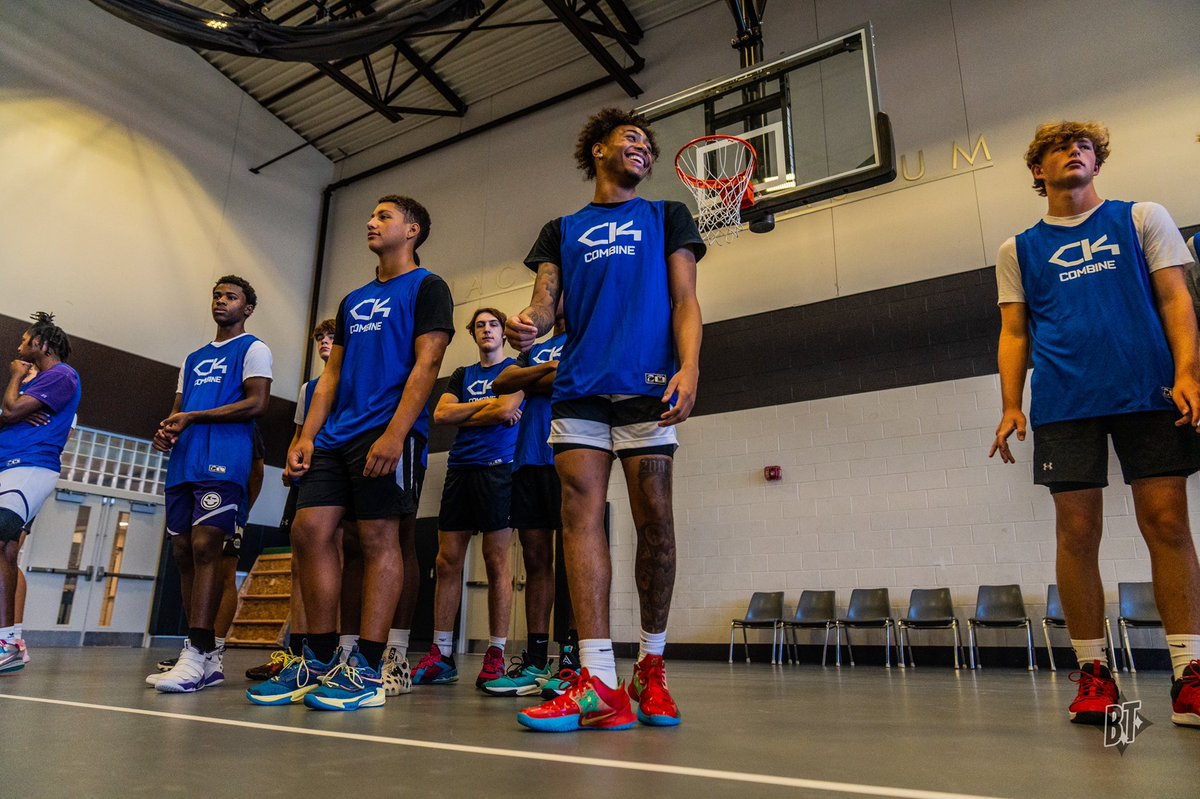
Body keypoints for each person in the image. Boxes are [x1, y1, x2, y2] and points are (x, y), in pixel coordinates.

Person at [989, 121, 1200, 728]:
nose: (1074, 153)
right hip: (1066, 401)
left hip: (1150, 392)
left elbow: (1176, 300)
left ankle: (1188, 675)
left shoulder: (1143, 218)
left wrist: (1189, 373)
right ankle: (1095, 676)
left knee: (1168, 524)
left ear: (1097, 165)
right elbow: (1014, 332)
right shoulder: (1018, 250)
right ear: (1038, 171)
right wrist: (1010, 404)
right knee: (1077, 536)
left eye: (1084, 147)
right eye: (1060, 148)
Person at [505, 107, 704, 731]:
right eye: (631, 138)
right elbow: (545, 302)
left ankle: (651, 665)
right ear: (598, 150)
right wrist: (529, 324)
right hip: (580, 390)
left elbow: (685, 298)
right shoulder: (561, 229)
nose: (643, 148)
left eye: (647, 142)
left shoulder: (666, 215)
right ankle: (596, 679)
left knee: (657, 527)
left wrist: (690, 368)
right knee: (580, 521)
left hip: (649, 389)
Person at [267, 195, 453, 712]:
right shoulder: (352, 300)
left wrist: (395, 435)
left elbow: (427, 364)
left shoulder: (429, 287)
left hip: (388, 433)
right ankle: (321, 657)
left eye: (384, 216)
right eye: (371, 216)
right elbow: (330, 375)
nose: (371, 222)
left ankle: (368, 667)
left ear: (412, 230)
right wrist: (306, 436)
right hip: (335, 436)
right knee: (309, 532)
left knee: (378, 538)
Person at [152, 276, 272, 693]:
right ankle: (198, 656)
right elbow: (178, 410)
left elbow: (257, 403)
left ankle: (201, 652)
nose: (221, 301)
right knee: (183, 551)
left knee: (207, 546)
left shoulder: (253, 349)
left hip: (225, 459)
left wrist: (195, 419)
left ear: (248, 308)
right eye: (217, 296)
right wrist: (166, 431)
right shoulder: (193, 357)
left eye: (231, 296)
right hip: (185, 461)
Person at [411, 308, 523, 688]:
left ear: (503, 334)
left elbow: (508, 407)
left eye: (493, 325)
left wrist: (470, 412)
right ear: (473, 335)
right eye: (480, 326)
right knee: (446, 563)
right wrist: (487, 410)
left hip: (498, 470)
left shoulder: (514, 371)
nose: (487, 330)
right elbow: (441, 415)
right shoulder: (462, 374)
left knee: (496, 565)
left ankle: (495, 653)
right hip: (460, 469)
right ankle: (442, 653)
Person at [483, 305, 574, 696]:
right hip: (528, 461)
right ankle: (536, 660)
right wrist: (546, 374)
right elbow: (503, 382)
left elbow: (578, 378)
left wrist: (532, 380)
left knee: (574, 562)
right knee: (536, 561)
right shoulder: (534, 348)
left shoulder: (587, 338)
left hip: (570, 456)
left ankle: (572, 659)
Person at [0, 313, 82, 674]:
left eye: (25, 340)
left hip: (29, 466)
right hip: (10, 467)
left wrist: (16, 379)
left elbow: (11, 409)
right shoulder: (41, 381)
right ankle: (12, 640)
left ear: (42, 344)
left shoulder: (61, 375)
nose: (19, 347)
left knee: (3, 544)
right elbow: (9, 413)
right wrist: (12, 412)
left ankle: (6, 643)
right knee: (7, 549)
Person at [150, 426, 263, 682]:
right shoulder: (193, 423)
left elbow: (257, 471)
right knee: (190, 562)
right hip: (195, 492)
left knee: (224, 572)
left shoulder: (242, 424)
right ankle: (198, 646)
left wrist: (242, 515)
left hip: (231, 501)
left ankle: (215, 651)